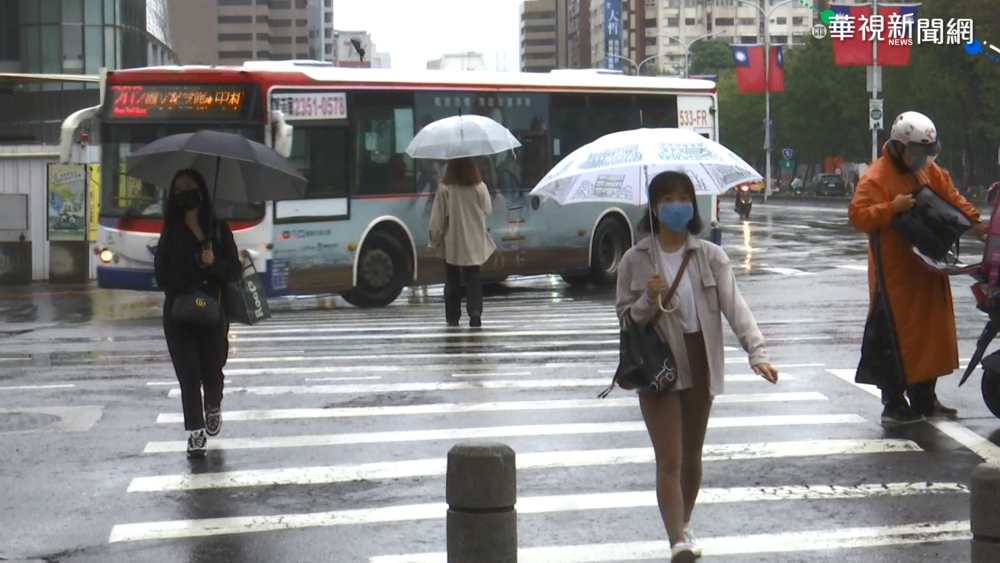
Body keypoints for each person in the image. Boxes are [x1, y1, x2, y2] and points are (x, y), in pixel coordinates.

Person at [616, 171, 778, 560]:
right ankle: (677, 540)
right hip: (657, 363)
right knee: (669, 458)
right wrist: (647, 300)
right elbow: (625, 320)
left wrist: (757, 353)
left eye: (683, 197)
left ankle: (682, 525)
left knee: (691, 457)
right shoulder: (635, 260)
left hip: (699, 358)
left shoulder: (710, 256)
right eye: (668, 199)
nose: (677, 206)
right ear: (655, 208)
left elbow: (734, 308)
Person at [849, 111, 988, 424]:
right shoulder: (875, 177)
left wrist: (975, 223)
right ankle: (894, 403)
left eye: (928, 153)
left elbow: (951, 197)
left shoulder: (929, 169)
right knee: (895, 338)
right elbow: (858, 216)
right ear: (899, 147)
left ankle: (925, 397)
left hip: (927, 266)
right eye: (918, 152)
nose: (924, 158)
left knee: (930, 336)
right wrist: (891, 208)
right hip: (894, 274)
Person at [154, 169, 241, 458]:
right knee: (188, 375)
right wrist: (187, 285)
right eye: (179, 189)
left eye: (190, 187)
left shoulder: (217, 229)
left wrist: (213, 263)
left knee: (212, 368)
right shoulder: (171, 231)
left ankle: (213, 405)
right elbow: (161, 274)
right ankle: (195, 432)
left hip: (213, 311)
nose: (185, 193)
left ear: (201, 191)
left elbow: (234, 270)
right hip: (180, 313)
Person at [428, 157, 496, 328]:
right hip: (474, 240)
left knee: (452, 279)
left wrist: (433, 241)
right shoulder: (479, 187)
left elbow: (438, 220)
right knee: (473, 277)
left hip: (452, 241)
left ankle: (453, 317)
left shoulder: (445, 189)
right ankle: (474, 313)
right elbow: (488, 209)